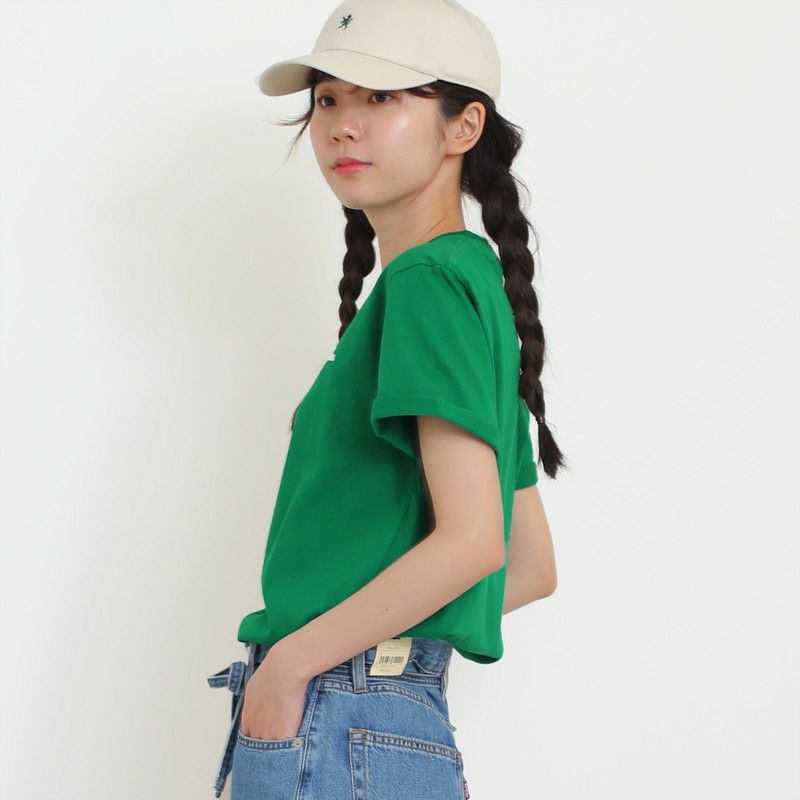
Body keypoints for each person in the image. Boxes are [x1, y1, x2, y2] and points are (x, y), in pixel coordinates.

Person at [206, 1, 564, 797]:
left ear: (464, 125)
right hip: (381, 716)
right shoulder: (469, 281)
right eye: (327, 99)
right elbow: (531, 564)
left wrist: (298, 665)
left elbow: (475, 543)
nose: (342, 125)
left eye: (380, 97)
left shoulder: (429, 284)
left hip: (334, 713)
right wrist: (393, 655)